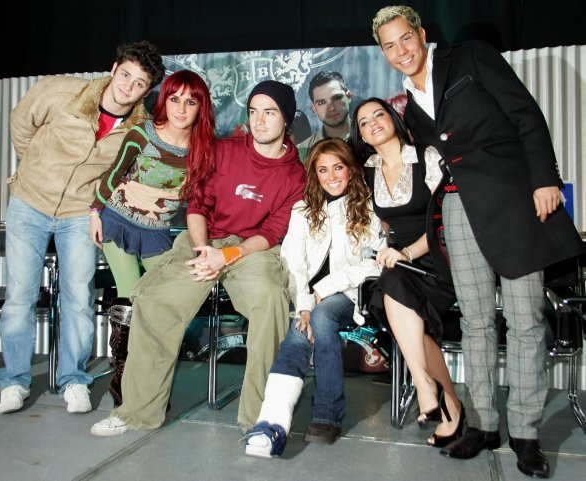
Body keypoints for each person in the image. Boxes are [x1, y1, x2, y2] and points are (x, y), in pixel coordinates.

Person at [372, 5, 586, 478]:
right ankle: (485, 424)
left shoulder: (470, 57)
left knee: (525, 319)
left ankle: (525, 434)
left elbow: (525, 113)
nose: (400, 50)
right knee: (475, 321)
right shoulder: (407, 105)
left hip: (513, 202)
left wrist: (544, 179)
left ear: (420, 34)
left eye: (405, 38)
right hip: (457, 207)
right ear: (383, 52)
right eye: (389, 45)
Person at [89, 79, 306, 436]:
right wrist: (206, 251)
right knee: (154, 300)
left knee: (271, 301)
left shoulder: (295, 175)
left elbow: (272, 232)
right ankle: (137, 413)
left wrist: (229, 255)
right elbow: (198, 205)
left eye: (270, 113)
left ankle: (261, 421)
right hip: (204, 238)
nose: (259, 120)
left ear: (286, 118)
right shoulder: (223, 150)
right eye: (254, 111)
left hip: (252, 250)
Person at [0, 41, 165, 415]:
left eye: (139, 83)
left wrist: (96, 204)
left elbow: (124, 174)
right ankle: (14, 381)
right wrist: (33, 166)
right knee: (20, 296)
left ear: (147, 91)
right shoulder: (60, 91)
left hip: (78, 213)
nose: (128, 86)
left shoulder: (140, 129)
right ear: (114, 68)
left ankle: (74, 380)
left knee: (78, 297)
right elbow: (21, 121)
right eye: (125, 75)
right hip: (30, 202)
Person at [243, 138, 386, 458]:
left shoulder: (369, 208)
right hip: (307, 297)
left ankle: (326, 413)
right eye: (323, 170)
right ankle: (272, 424)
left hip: (351, 295)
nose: (331, 176)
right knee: (301, 330)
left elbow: (373, 262)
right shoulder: (303, 211)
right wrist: (306, 304)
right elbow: (293, 264)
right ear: (314, 174)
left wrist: (324, 289)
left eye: (338, 167)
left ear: (350, 169)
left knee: (321, 317)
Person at [89, 69, 216, 407]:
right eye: (174, 99)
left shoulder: (204, 149)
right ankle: (124, 378)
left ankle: (150, 379)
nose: (181, 108)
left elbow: (201, 201)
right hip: (117, 220)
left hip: (157, 232)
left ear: (201, 108)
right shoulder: (141, 134)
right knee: (130, 295)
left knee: (164, 300)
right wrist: (94, 212)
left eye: (190, 102)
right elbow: (115, 173)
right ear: (164, 101)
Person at [350, 97, 462, 448]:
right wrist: (385, 251)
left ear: (394, 120)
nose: (372, 123)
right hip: (399, 264)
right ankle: (443, 399)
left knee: (397, 289)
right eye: (364, 122)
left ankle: (429, 388)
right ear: (361, 135)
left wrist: (406, 253)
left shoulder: (426, 157)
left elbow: (446, 220)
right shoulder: (367, 171)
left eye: (378, 115)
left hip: (439, 257)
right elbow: (380, 225)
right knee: (405, 304)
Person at [296, 71, 352, 163]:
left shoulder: (370, 136)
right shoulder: (302, 152)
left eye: (336, 98)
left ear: (348, 97)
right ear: (314, 108)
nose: (331, 108)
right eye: (322, 102)